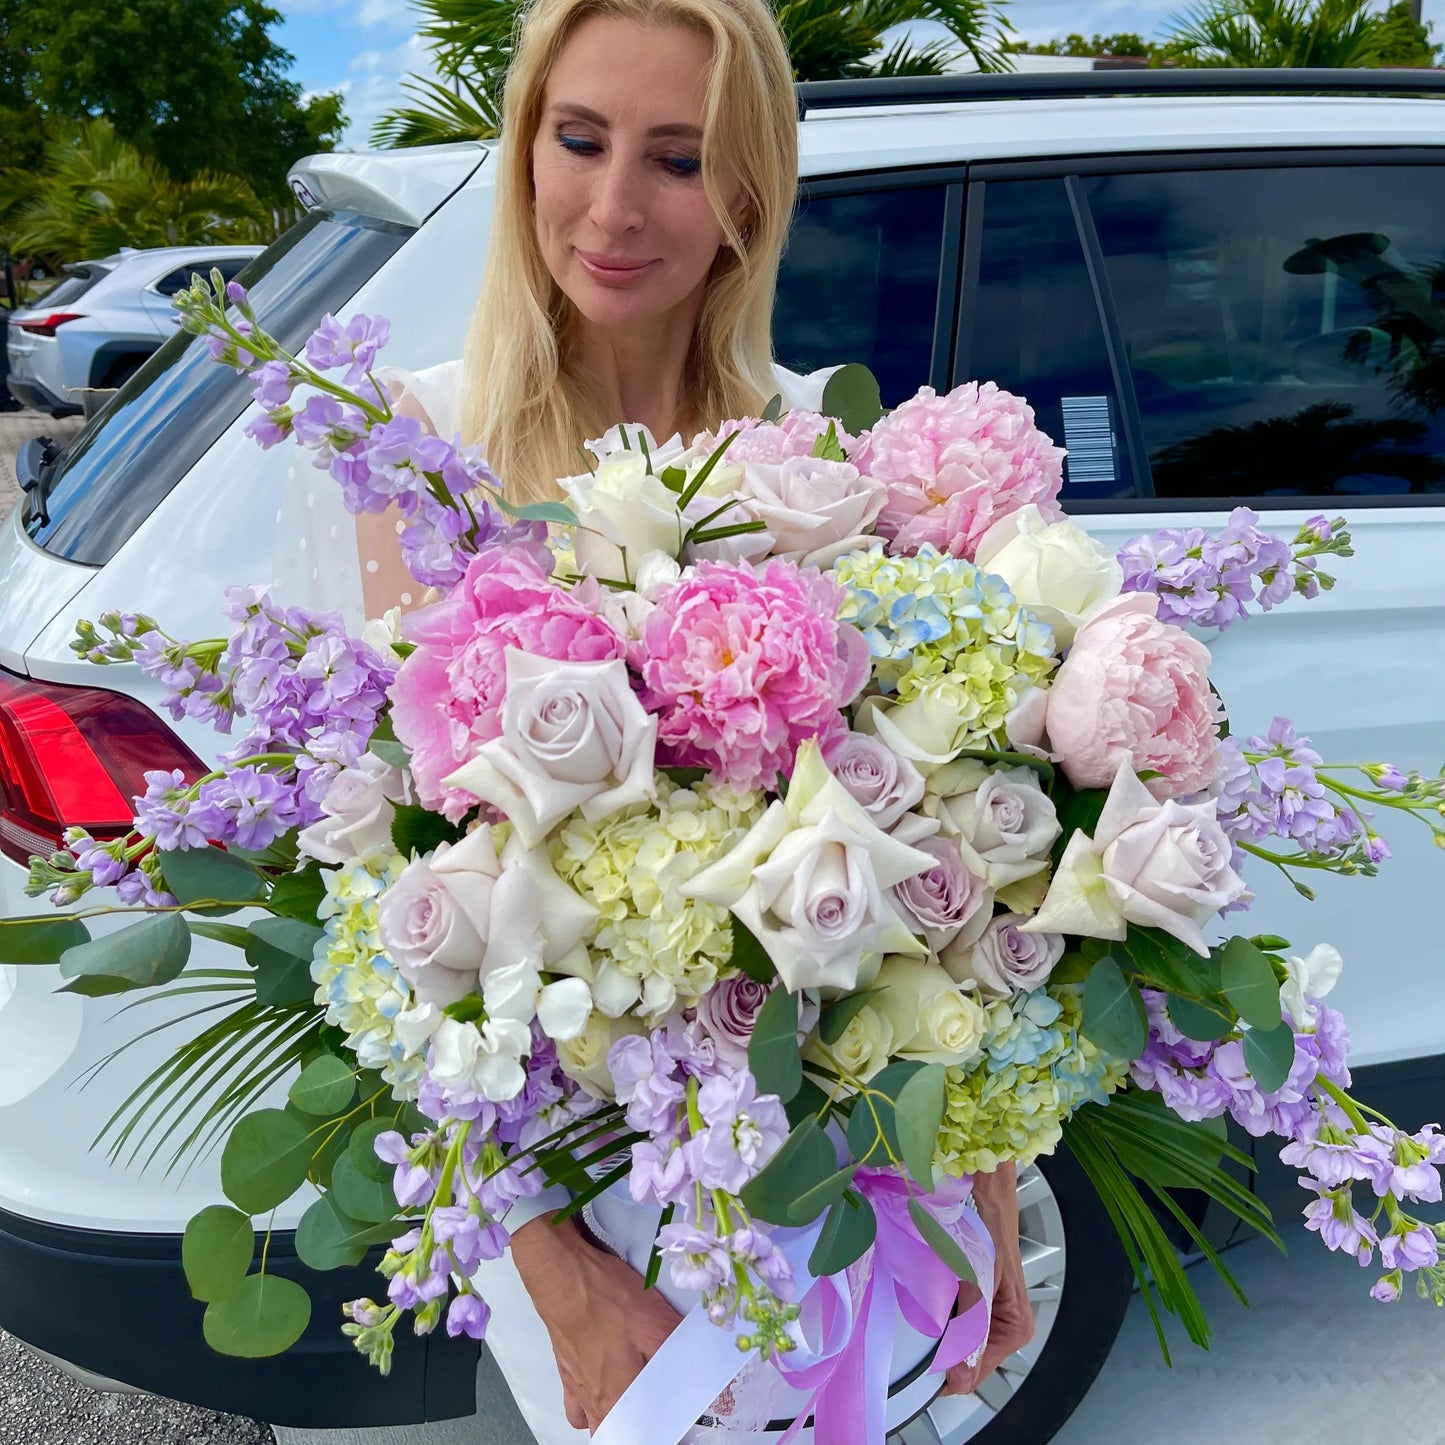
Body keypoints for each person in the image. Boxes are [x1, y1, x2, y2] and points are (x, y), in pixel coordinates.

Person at [354, 0, 1034, 1437]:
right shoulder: (420, 449)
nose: (610, 207)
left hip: (833, 1171)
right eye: (578, 138)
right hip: (583, 1178)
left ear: (748, 191)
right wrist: (556, 1275)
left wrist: (977, 1156)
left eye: (676, 159)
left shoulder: (819, 453)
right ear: (524, 139)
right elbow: (377, 906)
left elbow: (931, 845)